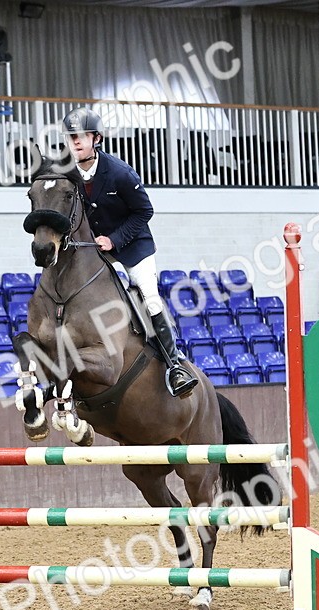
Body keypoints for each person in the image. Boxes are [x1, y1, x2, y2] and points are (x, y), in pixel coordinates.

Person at [62, 108, 198, 398]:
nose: (75, 142)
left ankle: (175, 366)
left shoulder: (120, 173)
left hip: (133, 247)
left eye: (81, 136)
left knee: (149, 298)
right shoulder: (69, 175)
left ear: (96, 139)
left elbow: (144, 211)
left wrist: (114, 240)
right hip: (97, 250)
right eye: (71, 137)